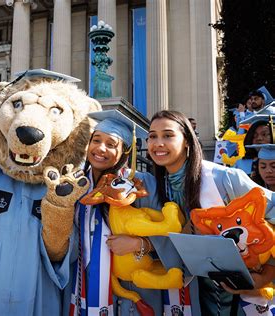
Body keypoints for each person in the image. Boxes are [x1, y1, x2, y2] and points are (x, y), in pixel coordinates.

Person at [147, 110, 275, 315]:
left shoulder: (223, 179)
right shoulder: (156, 187)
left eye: (168, 135)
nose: (158, 143)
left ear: (187, 140)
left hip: (239, 295)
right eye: (152, 136)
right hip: (191, 293)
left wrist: (267, 274)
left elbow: (272, 210)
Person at [66, 109, 162, 315]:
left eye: (111, 144)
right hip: (82, 278)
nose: (100, 148)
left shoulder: (141, 184)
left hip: (130, 284)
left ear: (126, 152)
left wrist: (141, 244)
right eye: (96, 140)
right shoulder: (75, 184)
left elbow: (166, 231)